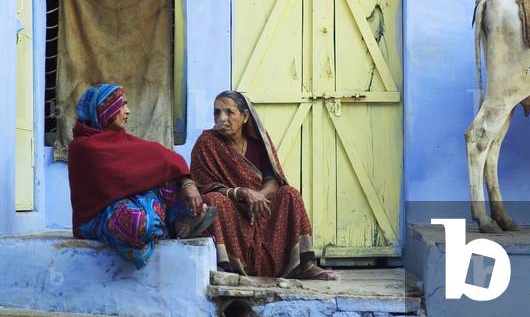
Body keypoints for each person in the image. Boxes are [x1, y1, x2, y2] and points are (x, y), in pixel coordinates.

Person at [190, 90, 337, 280]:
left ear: (244, 117)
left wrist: (259, 195)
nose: (222, 118)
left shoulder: (258, 142)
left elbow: (274, 178)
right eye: (217, 113)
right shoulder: (207, 143)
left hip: (260, 206)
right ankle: (227, 267)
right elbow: (203, 186)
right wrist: (241, 192)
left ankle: (305, 265)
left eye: (229, 112)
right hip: (232, 207)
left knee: (290, 194)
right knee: (214, 200)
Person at [67, 83, 216, 268]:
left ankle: (179, 221)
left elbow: (162, 157)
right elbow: (115, 183)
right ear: (104, 109)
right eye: (122, 106)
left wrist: (187, 183)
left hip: (127, 201)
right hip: (98, 215)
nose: (128, 111)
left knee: (169, 178)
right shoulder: (83, 147)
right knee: (137, 222)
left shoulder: (120, 139)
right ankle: (167, 226)